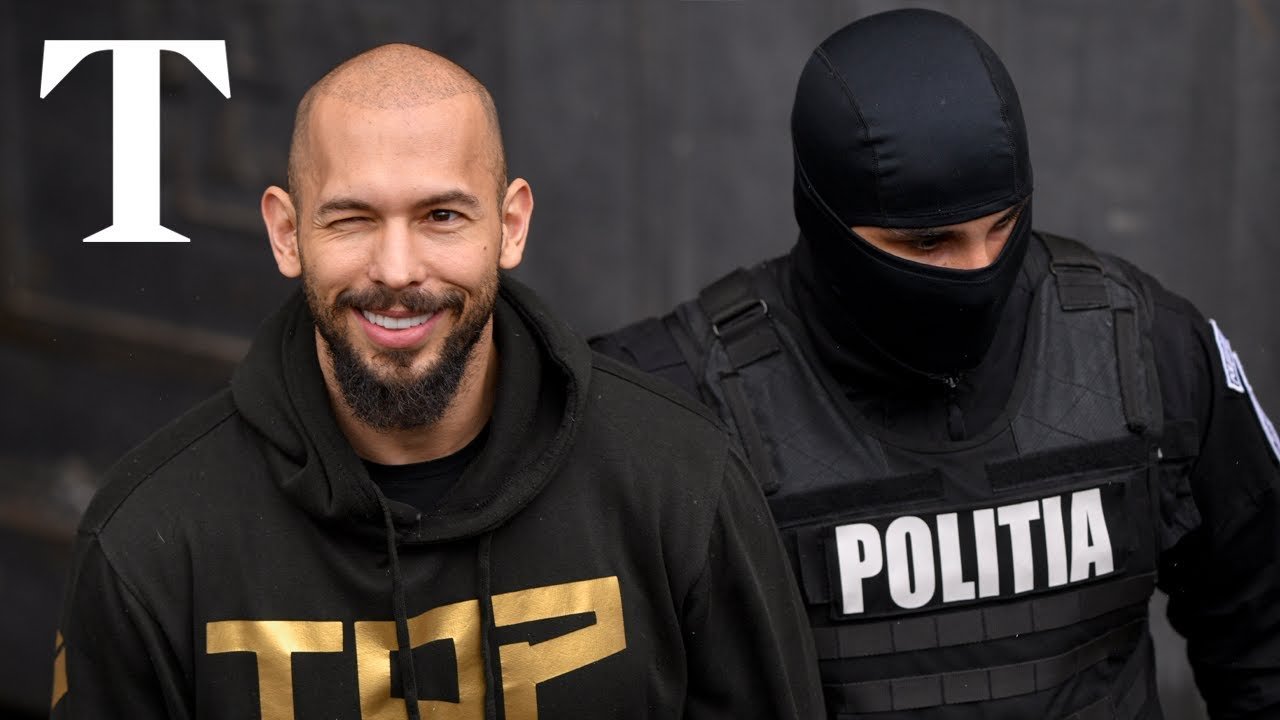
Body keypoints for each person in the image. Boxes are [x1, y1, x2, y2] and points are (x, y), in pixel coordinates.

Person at [51, 44, 824, 719]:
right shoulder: (151, 542)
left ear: (510, 224)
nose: (396, 271)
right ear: (287, 234)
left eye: (442, 216)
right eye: (351, 219)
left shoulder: (679, 485)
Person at [592, 9, 1280, 719]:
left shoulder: (1140, 347)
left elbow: (1268, 631)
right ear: (825, 220)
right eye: (929, 245)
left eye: (1004, 227)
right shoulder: (673, 402)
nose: (981, 271)